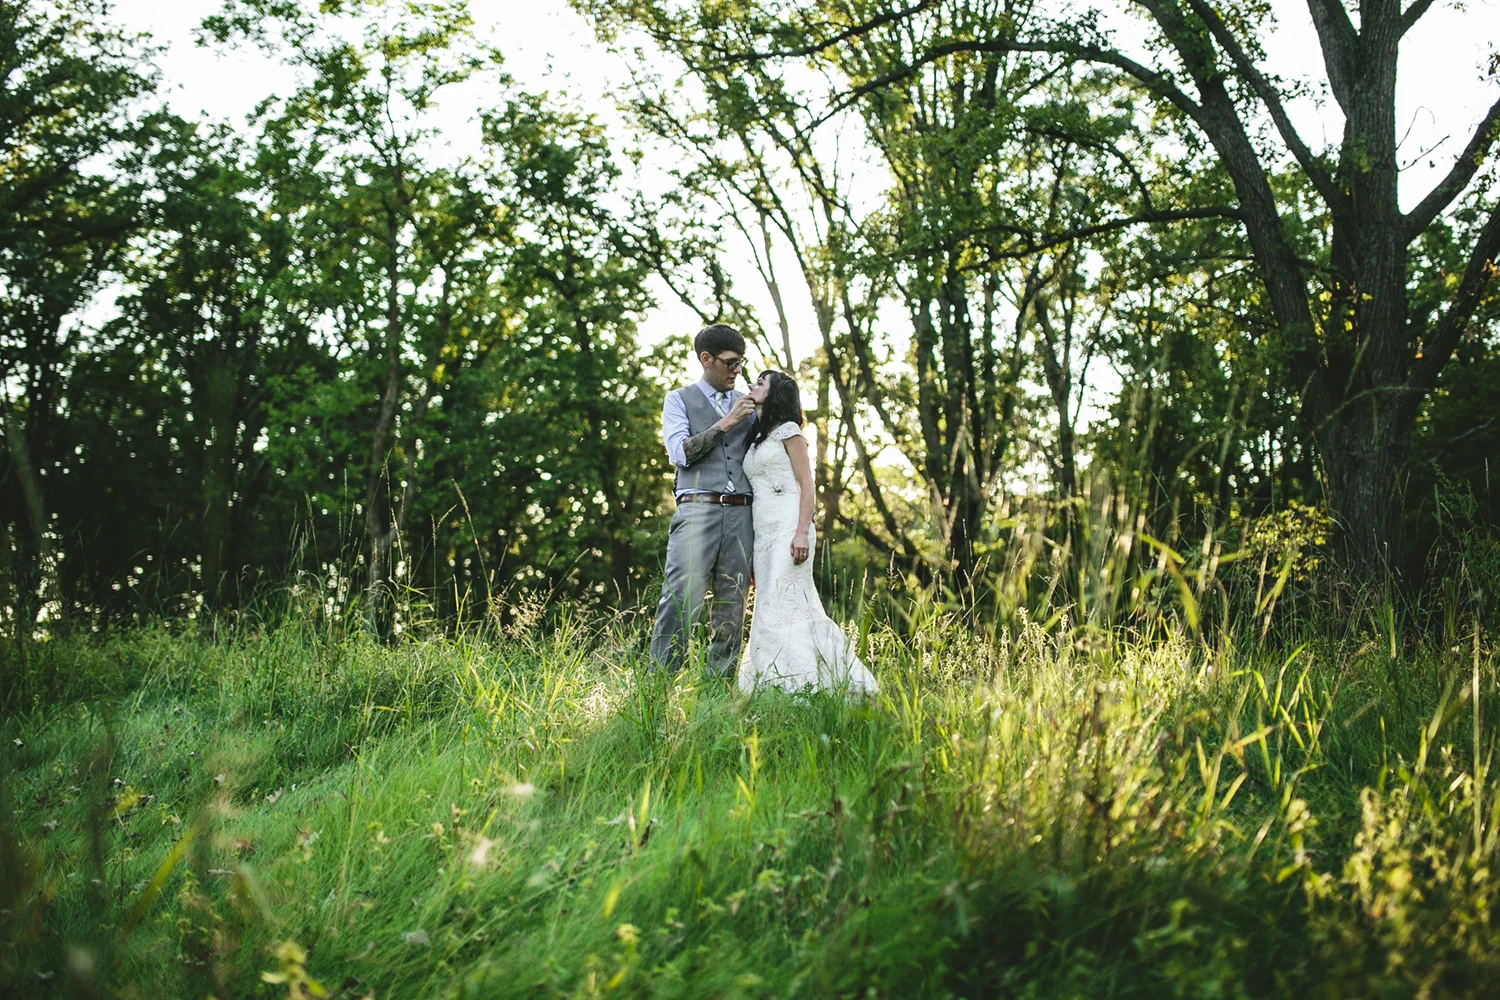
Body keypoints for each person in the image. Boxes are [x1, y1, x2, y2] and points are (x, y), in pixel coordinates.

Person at [737, 370, 878, 695]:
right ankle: (772, 685)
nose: (752, 385)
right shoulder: (759, 436)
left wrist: (802, 533)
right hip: (763, 532)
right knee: (768, 607)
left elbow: (807, 484)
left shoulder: (790, 432)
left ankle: (804, 686)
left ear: (775, 394)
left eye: (761, 383)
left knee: (787, 607)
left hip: (790, 527)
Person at [649, 324, 758, 677]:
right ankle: (659, 686)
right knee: (680, 600)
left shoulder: (750, 404)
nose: (737, 370)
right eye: (730, 363)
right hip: (698, 509)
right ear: (706, 360)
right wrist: (728, 421)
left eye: (741, 363)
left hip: (742, 514)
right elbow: (681, 453)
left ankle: (719, 692)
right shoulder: (678, 400)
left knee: (732, 606)